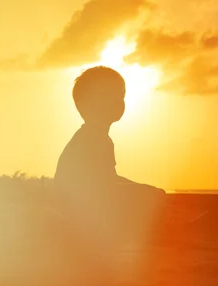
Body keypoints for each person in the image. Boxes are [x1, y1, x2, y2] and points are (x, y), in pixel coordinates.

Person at [54, 66, 165, 244]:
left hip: (84, 203)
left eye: (121, 96)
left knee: (151, 194)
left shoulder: (97, 136)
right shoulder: (92, 138)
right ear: (87, 104)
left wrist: (139, 187)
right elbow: (102, 186)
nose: (119, 102)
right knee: (151, 197)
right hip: (82, 207)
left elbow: (108, 177)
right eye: (109, 97)